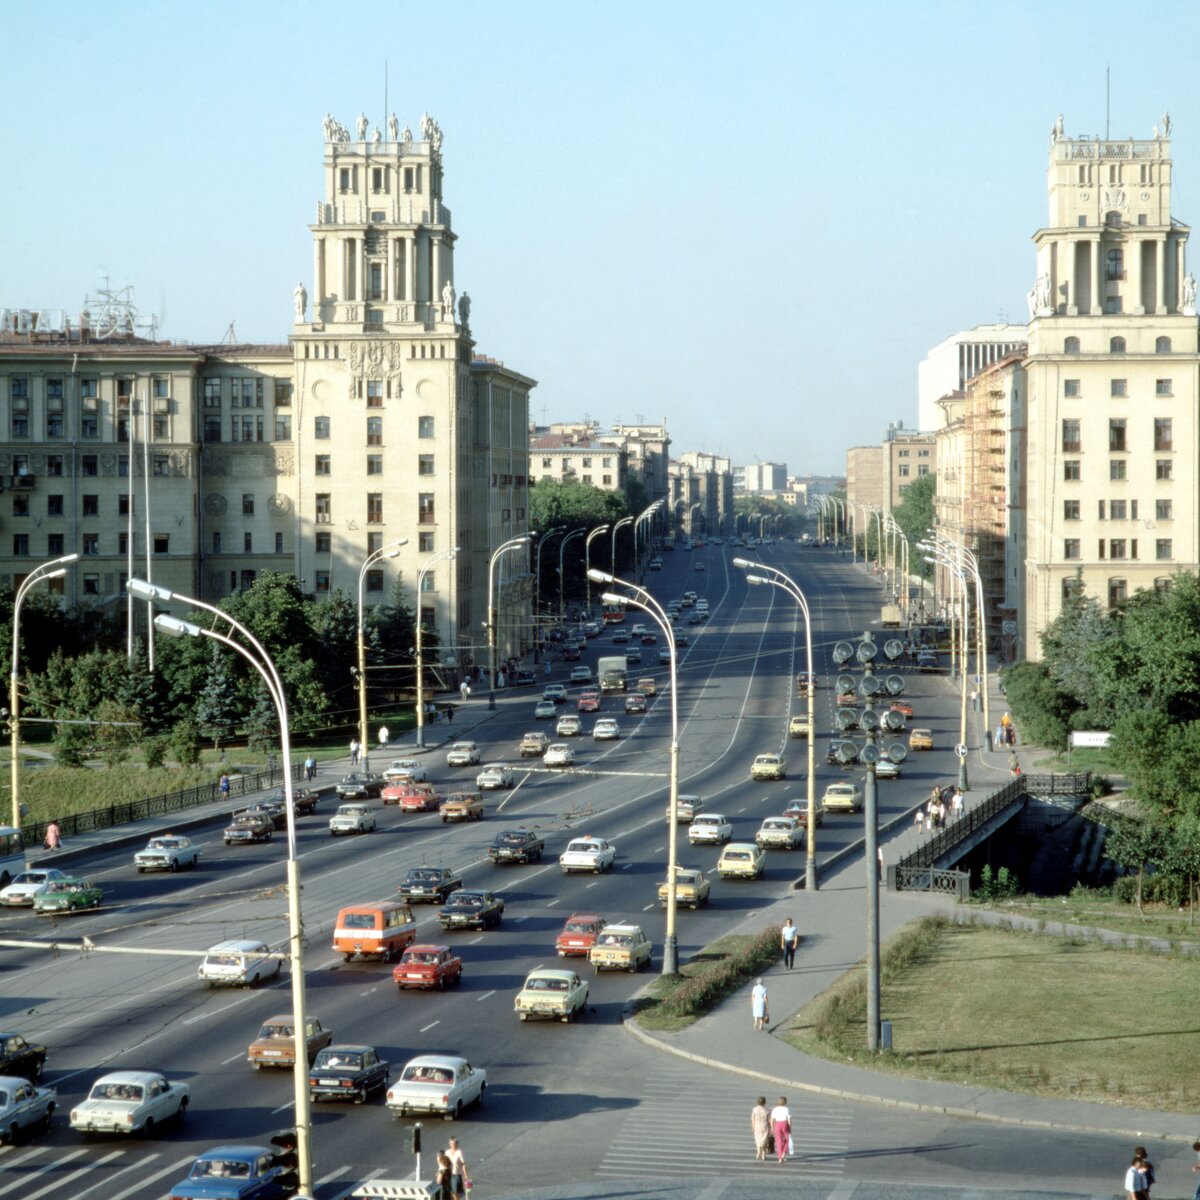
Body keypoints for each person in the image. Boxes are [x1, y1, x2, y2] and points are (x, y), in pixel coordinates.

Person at [769, 1096, 791, 1164]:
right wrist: (790, 1127)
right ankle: (784, 1153)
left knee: (779, 1141)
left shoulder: (775, 1109)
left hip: (777, 1124)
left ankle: (780, 1157)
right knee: (787, 1139)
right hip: (784, 1123)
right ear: (785, 1102)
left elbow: (772, 1119)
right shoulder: (786, 1109)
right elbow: (789, 1119)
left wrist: (772, 1127)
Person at [751, 1096, 771, 1161]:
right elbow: (769, 1120)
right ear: (765, 1102)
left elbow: (752, 1119)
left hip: (757, 1126)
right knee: (765, 1140)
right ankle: (764, 1154)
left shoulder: (755, 1109)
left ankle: (758, 1151)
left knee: (758, 1139)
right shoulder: (767, 1110)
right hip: (765, 1126)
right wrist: (771, 1127)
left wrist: (753, 1127)